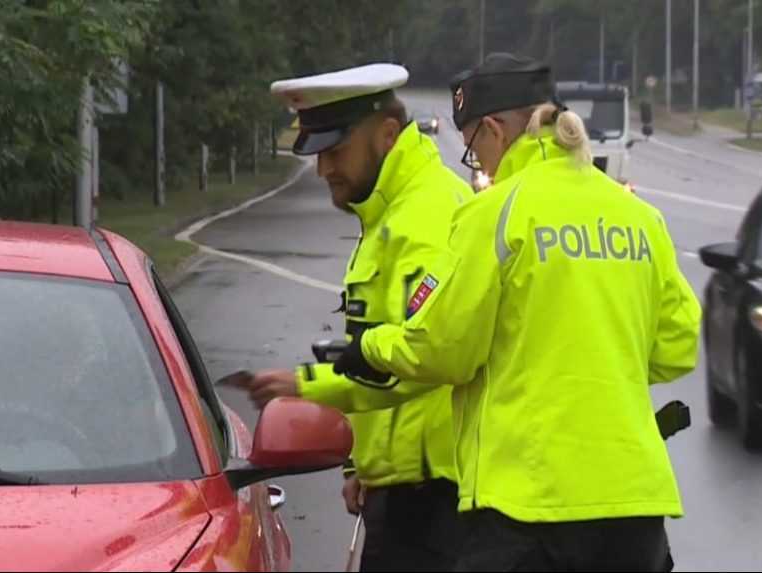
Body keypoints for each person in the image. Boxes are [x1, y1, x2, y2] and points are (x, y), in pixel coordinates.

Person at [334, 53, 702, 572]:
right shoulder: (638, 217)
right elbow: (678, 345)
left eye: (472, 151)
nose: (478, 166)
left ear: (492, 130)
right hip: (635, 512)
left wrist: (371, 346)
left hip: (529, 507)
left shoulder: (495, 213)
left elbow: (443, 350)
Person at [235, 63, 473, 572]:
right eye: (319, 154)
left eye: (335, 151)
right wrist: (361, 462)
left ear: (387, 135)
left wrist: (304, 386)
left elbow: (417, 361)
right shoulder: (390, 211)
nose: (324, 170)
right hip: (404, 492)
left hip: (437, 506)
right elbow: (378, 348)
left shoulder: (427, 218)